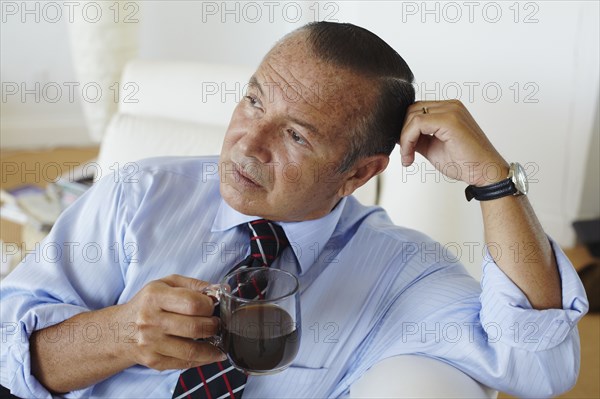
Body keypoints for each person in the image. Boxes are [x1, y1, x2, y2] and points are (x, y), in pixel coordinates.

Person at [0, 21, 588, 398]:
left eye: (297, 137)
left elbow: (540, 363)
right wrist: (119, 333)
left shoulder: (400, 272)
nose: (247, 145)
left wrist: (493, 179)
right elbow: (8, 350)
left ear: (359, 173)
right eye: (253, 101)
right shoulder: (137, 196)